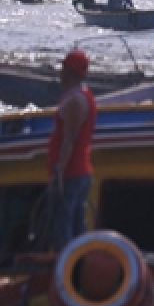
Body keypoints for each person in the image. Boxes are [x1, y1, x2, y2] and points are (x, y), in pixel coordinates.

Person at [46, 49, 97, 251]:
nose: (60, 72)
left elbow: (70, 139)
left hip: (72, 172)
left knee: (64, 226)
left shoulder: (76, 100)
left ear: (70, 72)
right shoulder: (78, 96)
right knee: (73, 223)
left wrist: (59, 170)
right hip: (77, 171)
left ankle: (67, 267)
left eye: (64, 68)